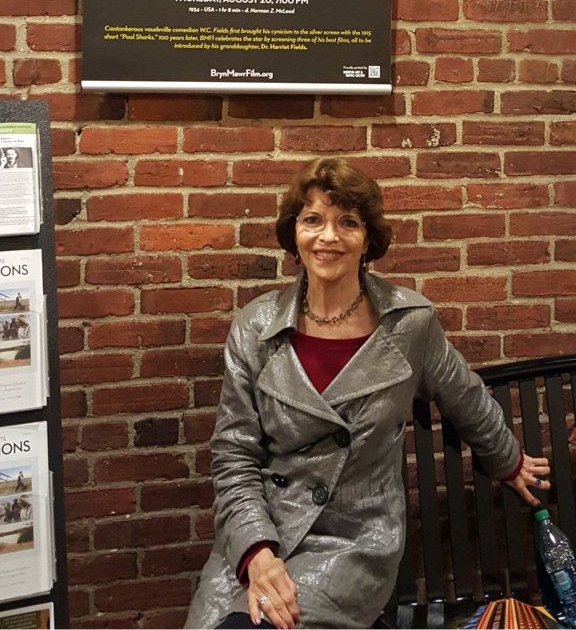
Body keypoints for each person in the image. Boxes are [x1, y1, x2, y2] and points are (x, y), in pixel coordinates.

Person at [185, 157, 550, 630]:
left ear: (368, 240)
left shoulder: (409, 325)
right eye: (313, 220)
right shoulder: (256, 325)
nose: (328, 237)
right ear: (294, 233)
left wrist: (508, 460)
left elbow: (467, 397)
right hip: (262, 531)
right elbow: (233, 454)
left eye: (347, 223)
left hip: (352, 541)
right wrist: (257, 551)